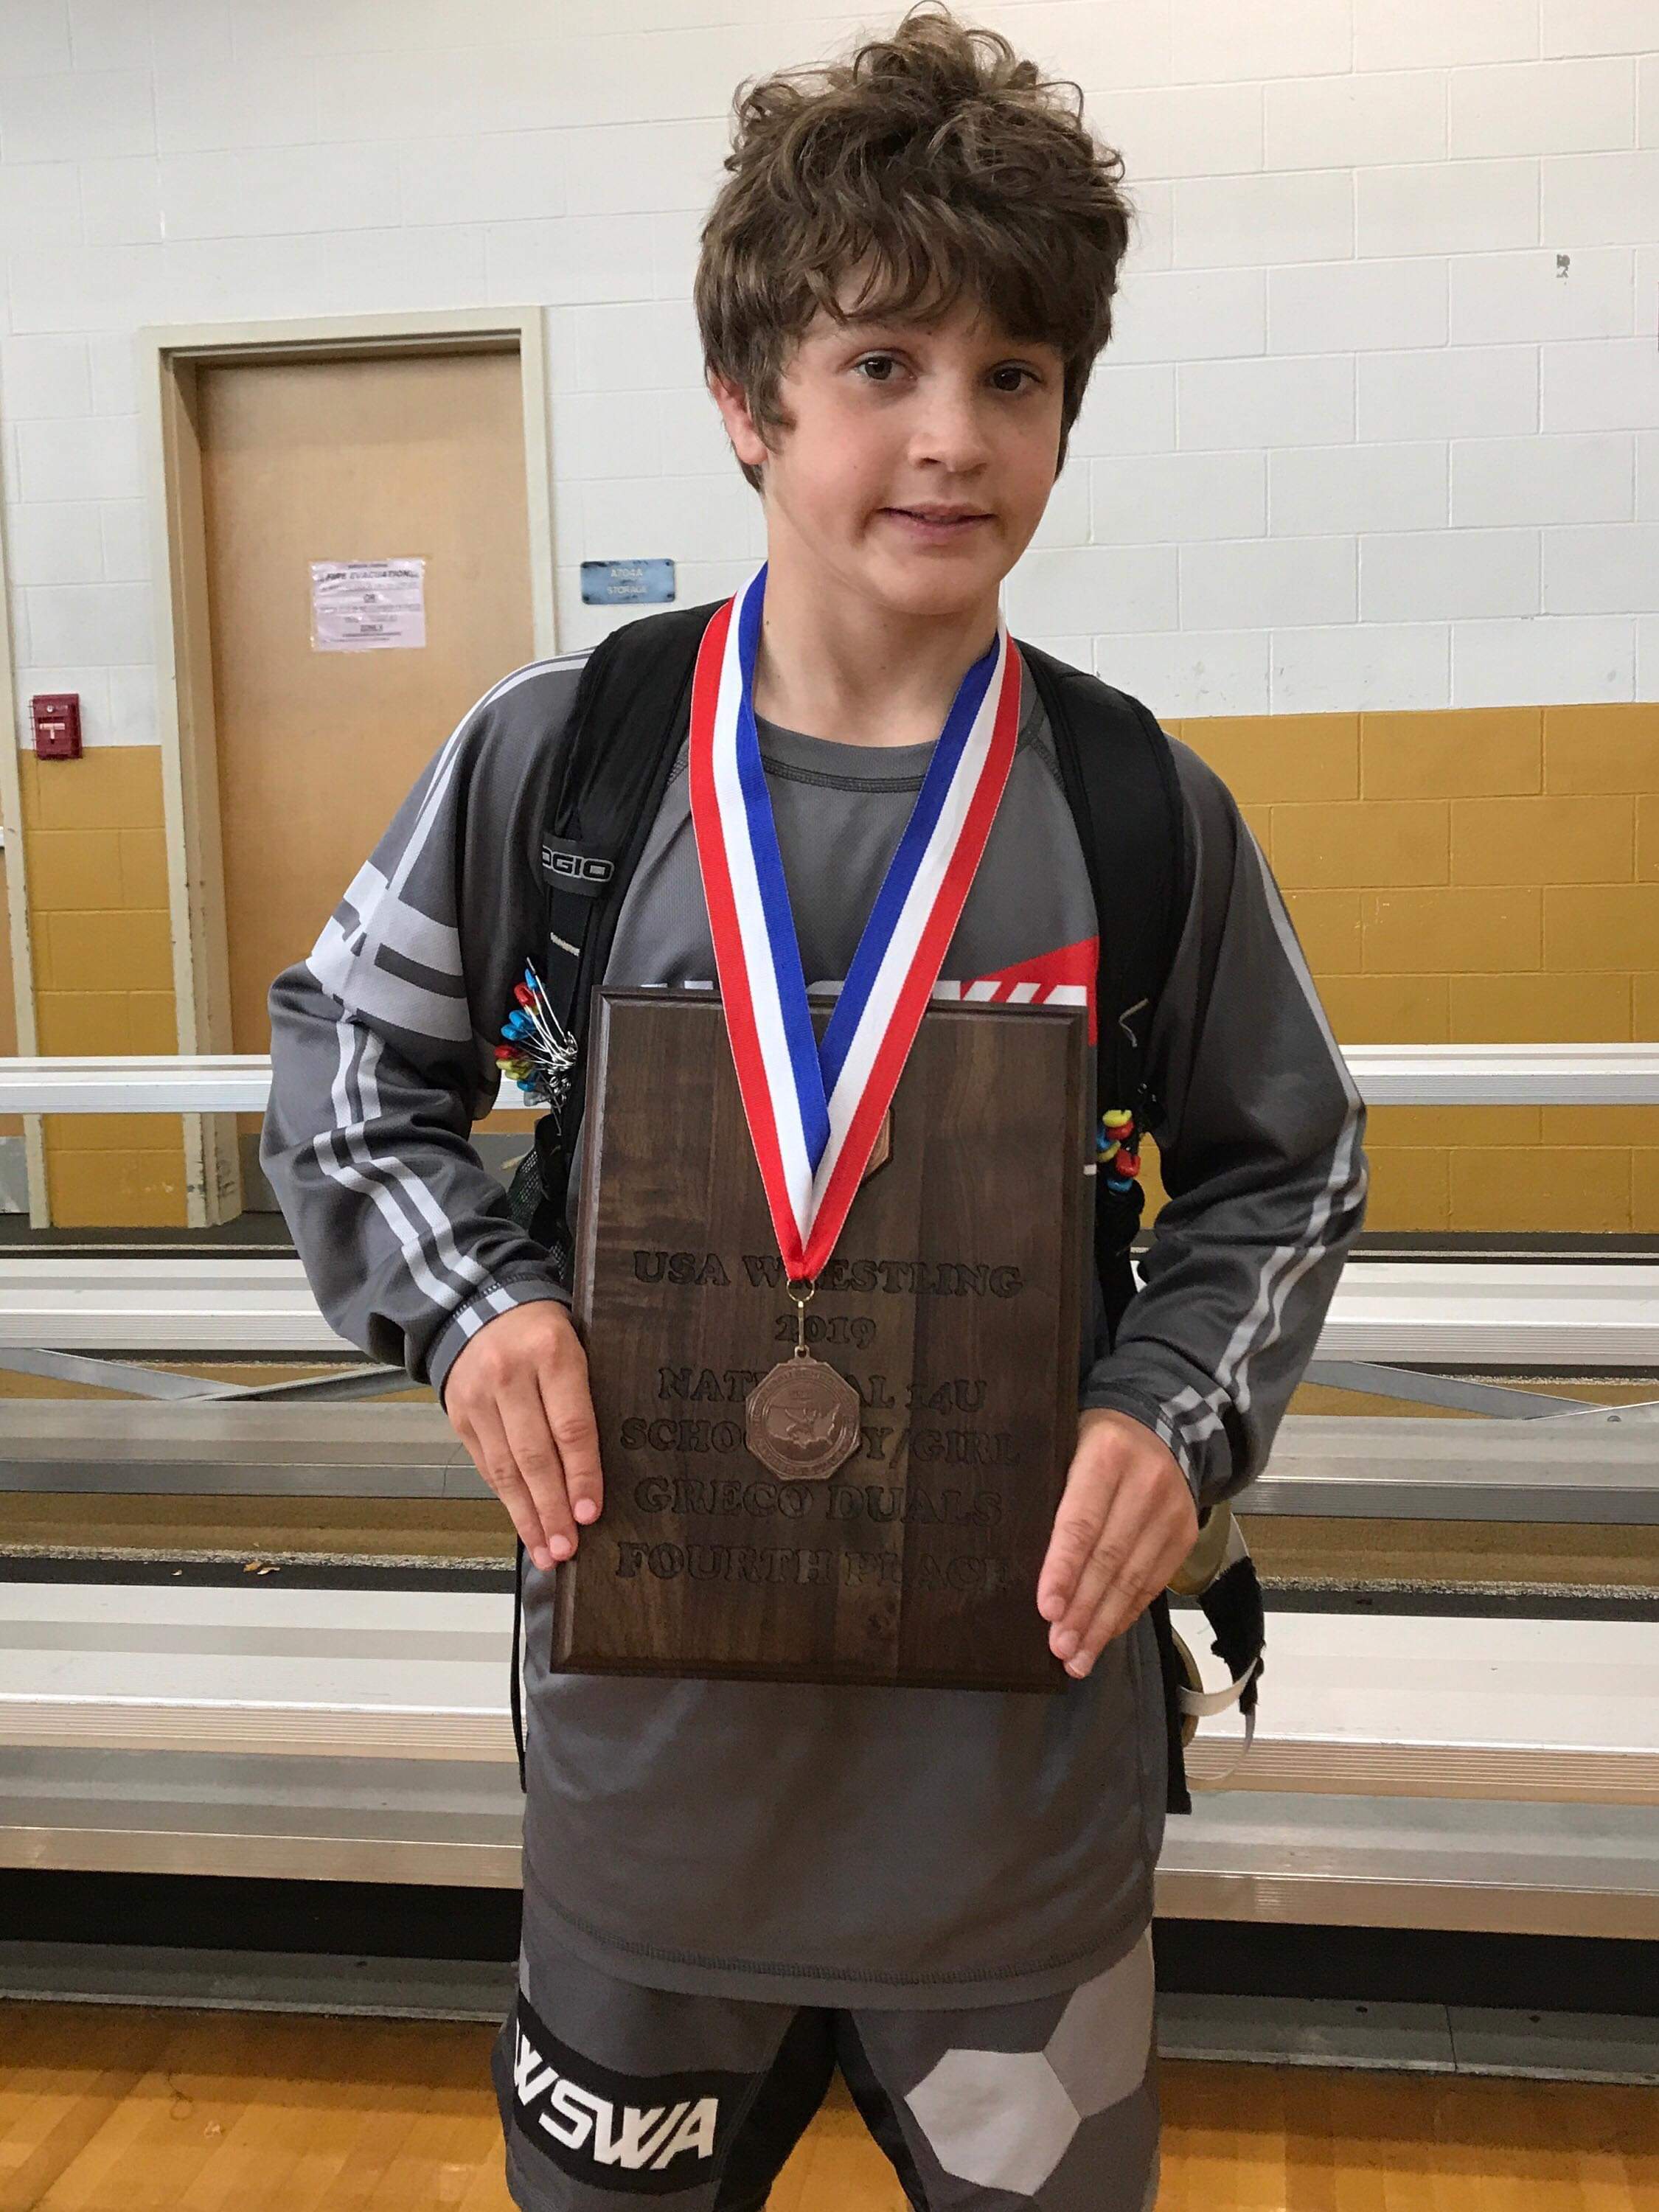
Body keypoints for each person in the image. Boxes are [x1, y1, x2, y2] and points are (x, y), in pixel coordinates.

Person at [262, 7, 1369, 2207]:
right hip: (647, 1812)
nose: (952, 439)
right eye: (881, 364)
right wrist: (477, 1310)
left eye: (1013, 377)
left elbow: (1286, 1168)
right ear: (744, 399)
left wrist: (1171, 1414)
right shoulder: (566, 761)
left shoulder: (1137, 809)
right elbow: (344, 1078)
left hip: (1011, 1828)